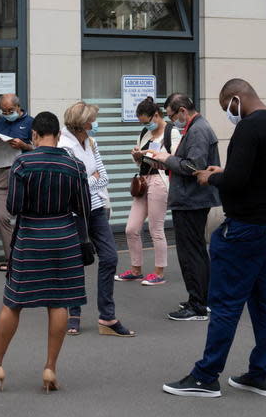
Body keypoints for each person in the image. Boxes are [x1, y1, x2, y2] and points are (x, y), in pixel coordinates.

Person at [163, 79, 266, 398]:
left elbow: (235, 180)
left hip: (245, 227)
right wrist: (226, 170)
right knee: (263, 300)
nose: (228, 114)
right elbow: (265, 175)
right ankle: (261, 373)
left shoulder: (249, 128)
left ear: (236, 98)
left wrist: (213, 176)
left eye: (227, 108)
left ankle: (206, 376)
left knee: (225, 302)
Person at [0, 112, 87, 394]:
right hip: (65, 237)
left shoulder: (23, 163)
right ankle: (50, 368)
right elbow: (82, 207)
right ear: (57, 135)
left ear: (34, 134)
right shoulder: (75, 165)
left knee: (13, 302)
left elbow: (14, 206)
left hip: (32, 236)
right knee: (59, 301)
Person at [59, 102, 135, 337]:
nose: (95, 124)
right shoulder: (64, 147)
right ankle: (73, 313)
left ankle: (107, 316)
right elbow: (73, 185)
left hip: (96, 207)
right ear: (82, 124)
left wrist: (89, 179)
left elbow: (104, 178)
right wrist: (90, 179)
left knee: (110, 257)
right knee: (76, 261)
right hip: (74, 212)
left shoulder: (91, 142)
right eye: (92, 120)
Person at [148, 94, 222, 321]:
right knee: (197, 251)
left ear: (182, 110)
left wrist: (167, 158)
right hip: (192, 199)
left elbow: (194, 166)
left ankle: (197, 305)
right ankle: (202, 299)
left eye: (171, 115)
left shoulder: (198, 130)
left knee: (190, 253)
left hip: (191, 200)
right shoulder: (197, 127)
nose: (171, 121)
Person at [117, 97, 178, 286]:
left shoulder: (171, 132)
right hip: (143, 180)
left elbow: (174, 160)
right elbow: (140, 161)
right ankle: (136, 269)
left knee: (155, 228)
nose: (145, 125)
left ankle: (158, 272)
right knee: (131, 228)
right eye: (142, 123)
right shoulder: (145, 132)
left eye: (147, 121)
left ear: (157, 115)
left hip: (160, 180)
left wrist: (149, 155)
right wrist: (137, 155)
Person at [0, 94, 34, 271]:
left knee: (27, 217)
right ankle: (11, 258)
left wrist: (25, 146)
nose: (6, 114)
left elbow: (40, 149)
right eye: (3, 111)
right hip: (2, 172)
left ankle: (26, 258)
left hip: (24, 174)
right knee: (0, 215)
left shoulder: (31, 123)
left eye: (10, 111)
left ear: (19, 108)